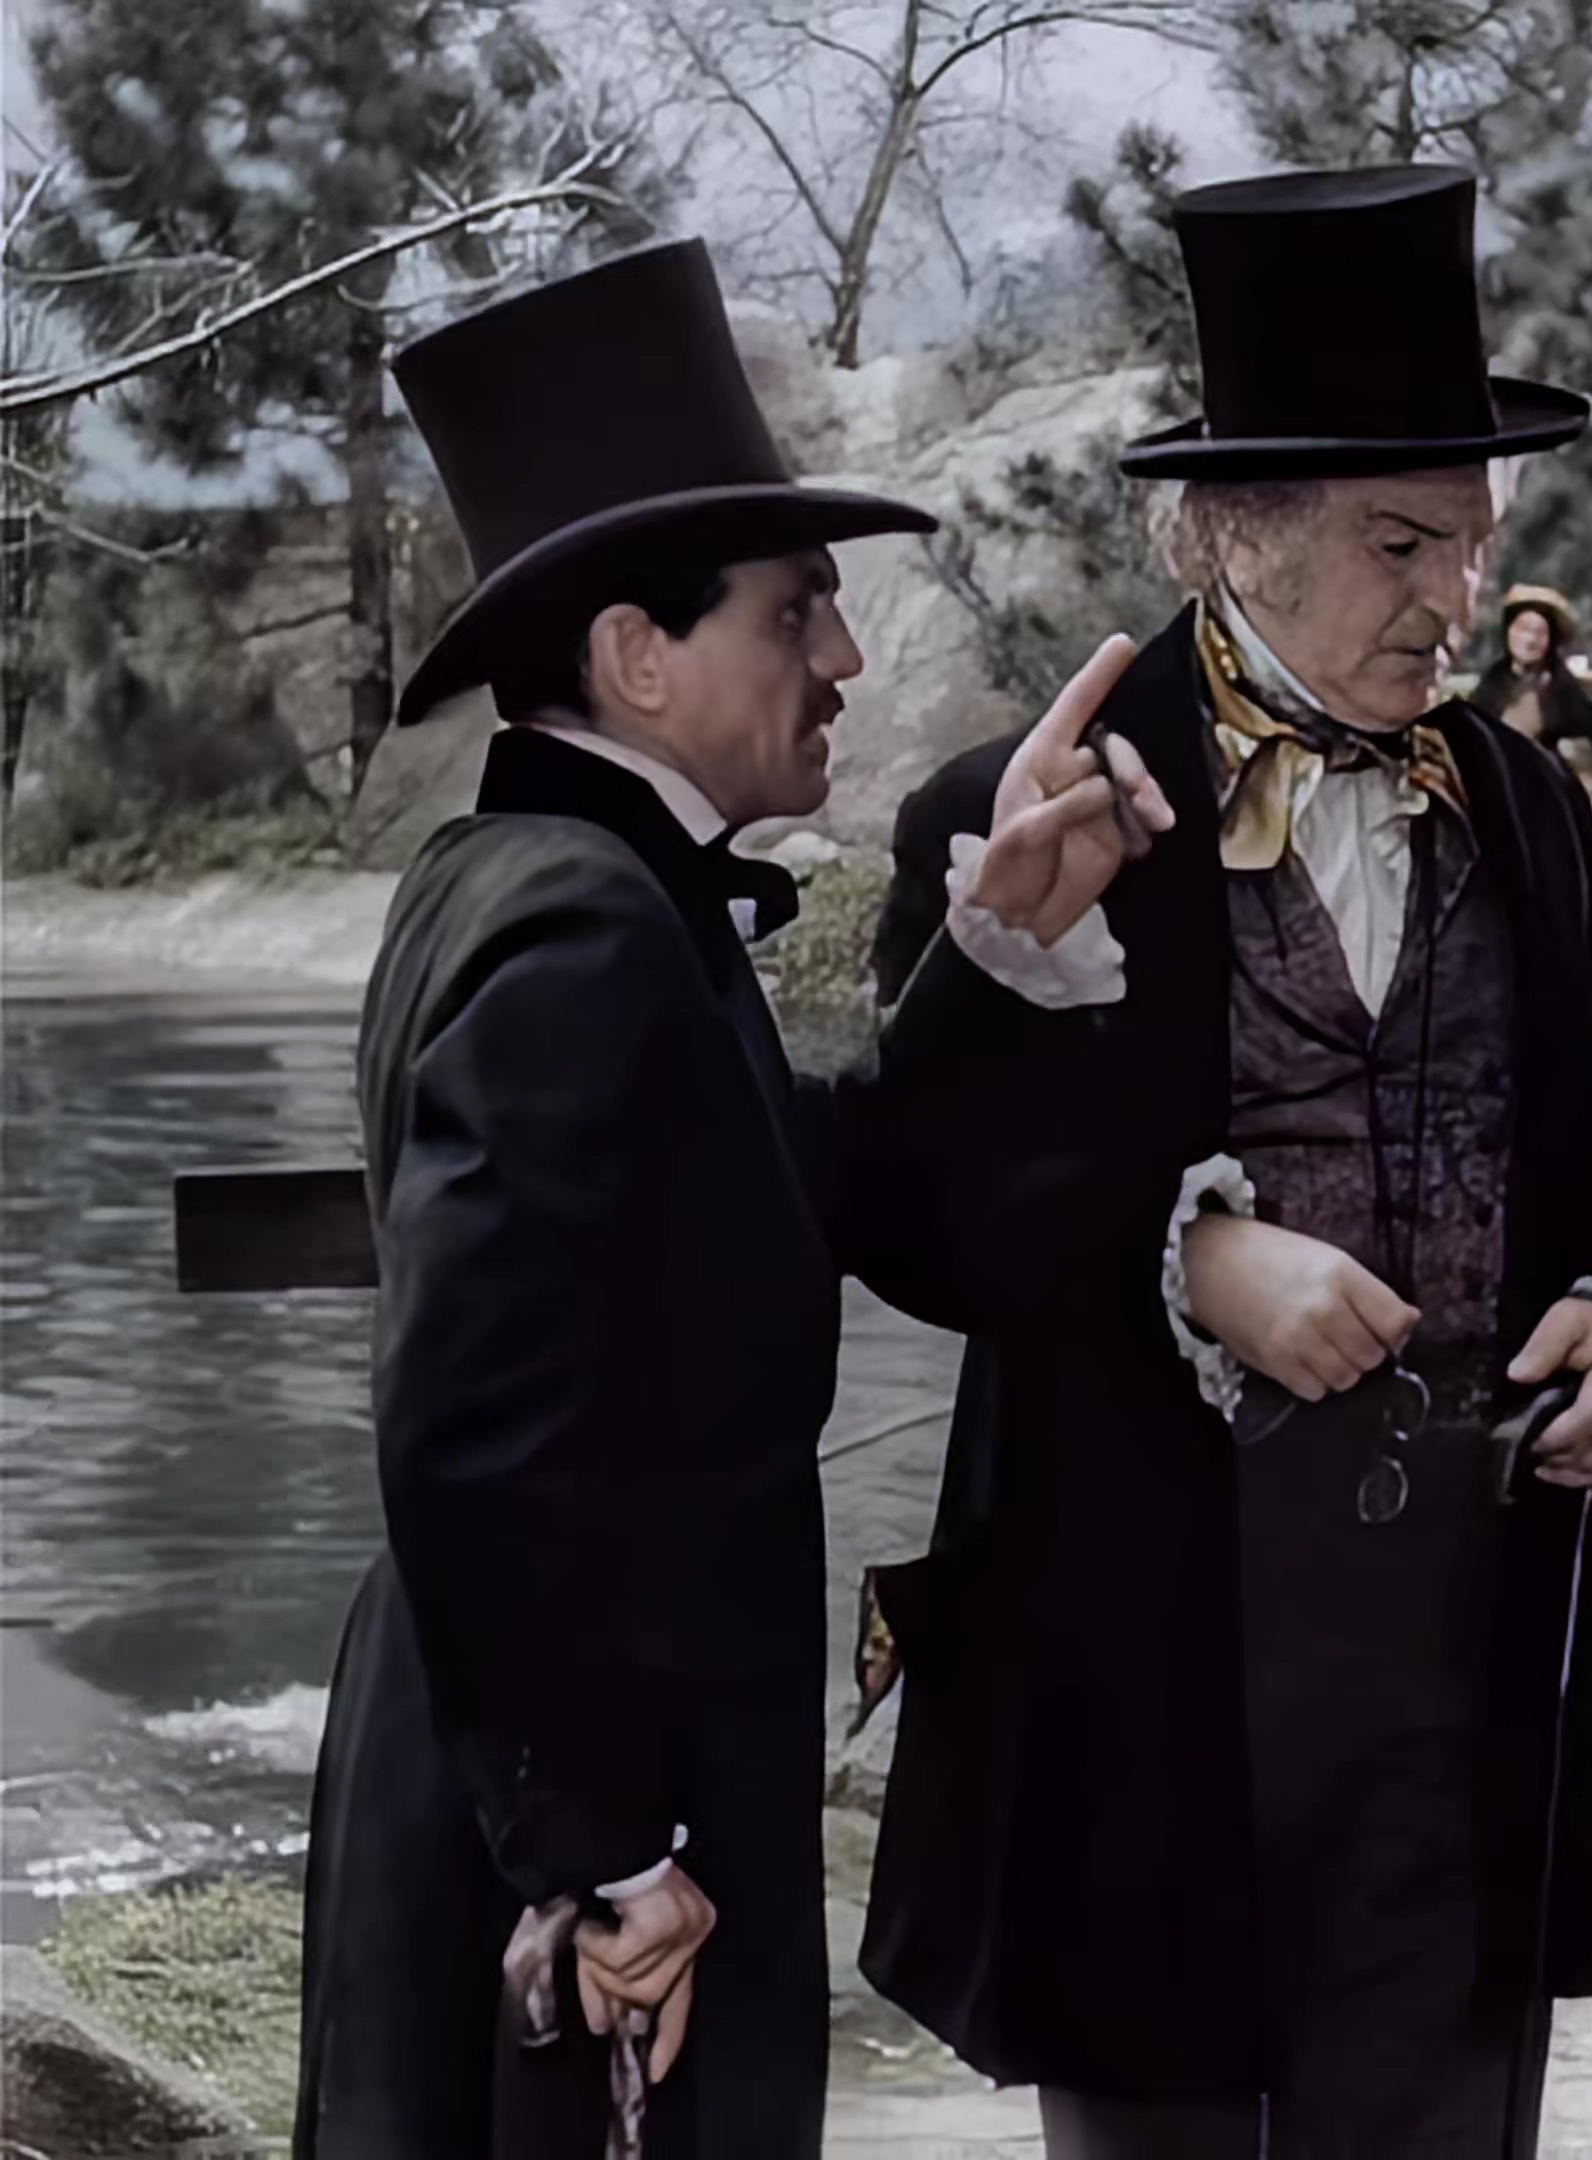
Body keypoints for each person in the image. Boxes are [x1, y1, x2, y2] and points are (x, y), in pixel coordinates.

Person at [291, 241, 1167, 2160]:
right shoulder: (585, 933)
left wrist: (994, 949)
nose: (841, 658)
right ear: (637, 656)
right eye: (796, 610)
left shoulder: (543, 883)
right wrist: (603, 1853)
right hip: (585, 1813)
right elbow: (472, 1432)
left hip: (565, 1769)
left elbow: (833, 1187)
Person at [855, 165, 1592, 2159]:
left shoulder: (1524, 809)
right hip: (1150, 1676)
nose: (1455, 601)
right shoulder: (1023, 805)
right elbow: (909, 1205)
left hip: (1464, 1672)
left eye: (1473, 544)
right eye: (1403, 543)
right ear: (1234, 530)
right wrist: (1189, 1257)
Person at [1469, 583, 1592, 767]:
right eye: (1522, 629)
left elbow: (1588, 753)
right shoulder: (1491, 686)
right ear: (1508, 631)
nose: (1529, 640)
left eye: (1539, 632)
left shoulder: (1568, 693)